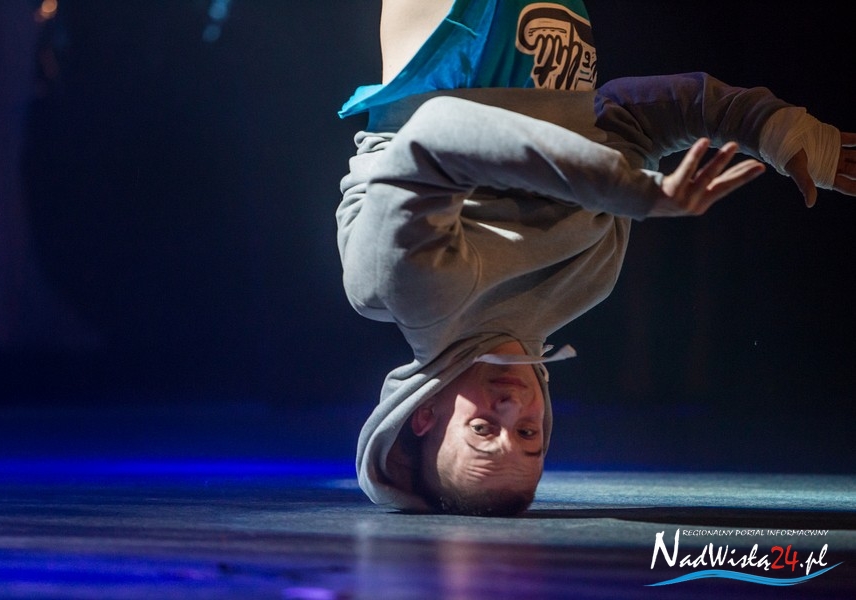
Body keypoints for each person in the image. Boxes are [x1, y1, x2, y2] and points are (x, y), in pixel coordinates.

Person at [335, 0, 856, 516]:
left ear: (424, 415)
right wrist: (767, 126)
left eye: (483, 429)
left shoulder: (403, 290)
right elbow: (625, 121)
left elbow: (440, 131)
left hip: (461, 34)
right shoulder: (589, 280)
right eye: (527, 433)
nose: (511, 408)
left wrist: (631, 190)